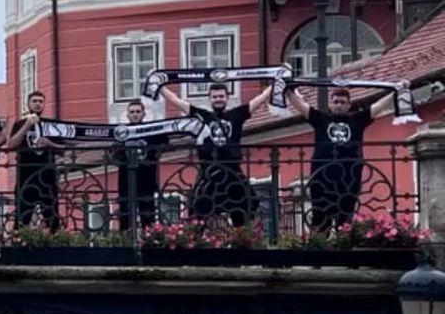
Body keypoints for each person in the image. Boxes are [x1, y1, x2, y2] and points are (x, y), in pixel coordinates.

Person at [286, 82, 404, 233]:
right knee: (321, 223)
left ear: (349, 105)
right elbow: (301, 106)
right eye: (335, 102)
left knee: (345, 225)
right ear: (330, 104)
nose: (339, 105)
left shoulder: (357, 120)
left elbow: (379, 106)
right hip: (322, 181)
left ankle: (344, 253)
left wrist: (397, 90)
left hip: (348, 181)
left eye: (342, 102)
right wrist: (287, 91)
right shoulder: (321, 119)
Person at [161, 81, 272, 227]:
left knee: (242, 208)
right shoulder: (203, 115)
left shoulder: (236, 115)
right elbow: (176, 101)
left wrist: (277, 81)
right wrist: (160, 87)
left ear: (227, 98)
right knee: (198, 211)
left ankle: (242, 241)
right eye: (215, 97)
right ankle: (196, 242)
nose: (218, 99)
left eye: (221, 96)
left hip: (232, 170)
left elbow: (260, 99)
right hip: (209, 171)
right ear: (210, 99)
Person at [5, 90, 60, 228]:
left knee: (52, 217)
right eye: (34, 101)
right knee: (22, 217)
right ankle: (18, 244)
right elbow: (11, 145)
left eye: (40, 101)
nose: (37, 104)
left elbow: (63, 150)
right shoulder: (20, 124)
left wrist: (49, 143)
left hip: (47, 176)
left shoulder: (50, 125)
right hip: (26, 175)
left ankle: (56, 244)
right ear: (28, 104)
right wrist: (26, 126)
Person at [112, 99, 166, 233]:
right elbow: (112, 152)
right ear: (127, 114)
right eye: (132, 112)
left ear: (143, 114)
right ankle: (125, 243)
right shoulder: (121, 132)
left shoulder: (151, 131)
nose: (135, 114)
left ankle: (150, 243)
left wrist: (157, 154)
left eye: (138, 111)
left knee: (148, 214)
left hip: (146, 179)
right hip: (126, 180)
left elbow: (166, 141)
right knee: (125, 214)